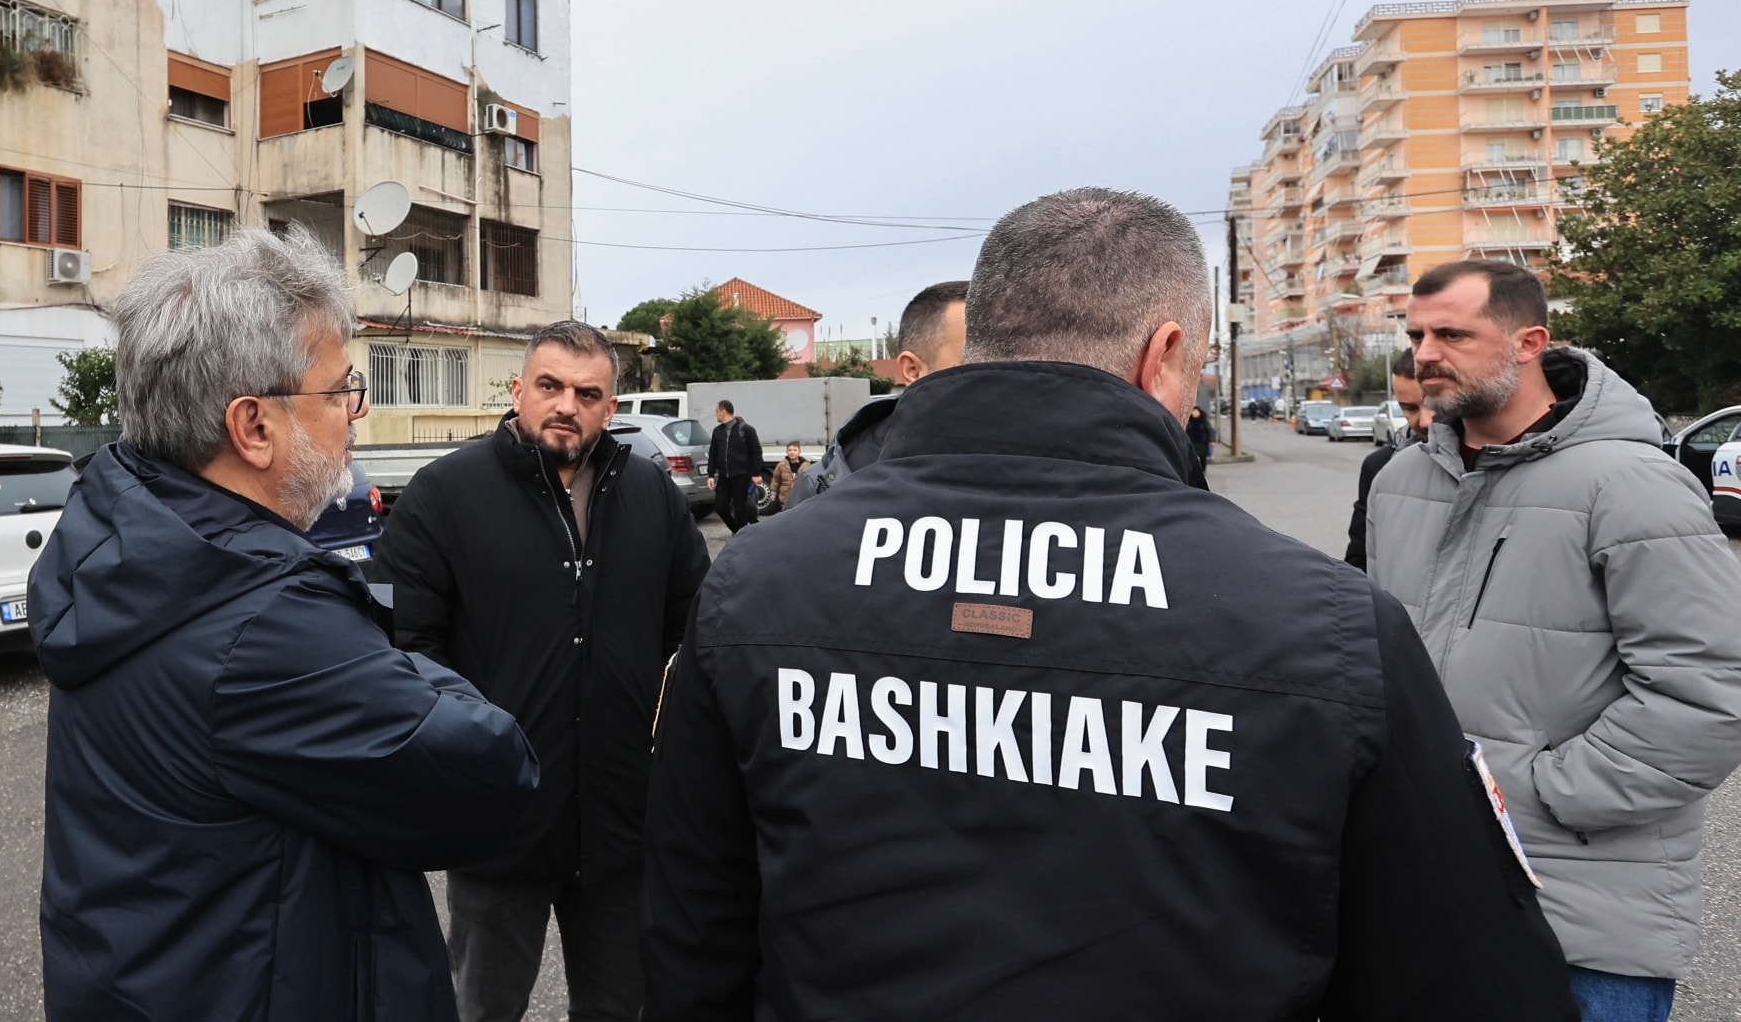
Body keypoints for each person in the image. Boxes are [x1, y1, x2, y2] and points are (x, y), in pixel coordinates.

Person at [643, 188, 1577, 1021]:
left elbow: (694, 933)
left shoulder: (760, 578)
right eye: (1200, 365)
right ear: (1163, 353)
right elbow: (1473, 982)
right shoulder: (1326, 627)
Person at [30, 227, 539, 1022]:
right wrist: (393, 653)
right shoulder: (261, 619)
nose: (354, 416)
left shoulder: (127, 540)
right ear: (253, 426)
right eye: (339, 390)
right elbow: (493, 774)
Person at [1366, 260, 1741, 1020]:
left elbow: (1711, 693)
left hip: (1585, 918)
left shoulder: (1630, 482)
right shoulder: (1399, 481)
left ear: (1529, 340)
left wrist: (1529, 791)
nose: (1425, 353)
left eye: (1452, 333)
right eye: (1415, 335)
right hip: (1422, 896)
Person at [378, 320, 708, 1022]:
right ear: (518, 389)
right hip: (501, 820)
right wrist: (471, 747)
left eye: (588, 393)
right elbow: (401, 643)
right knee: (479, 1006)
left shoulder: (654, 497)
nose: (567, 404)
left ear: (611, 405)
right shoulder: (444, 494)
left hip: (624, 825)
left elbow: (694, 633)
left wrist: (668, 751)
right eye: (551, 386)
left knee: (622, 1007)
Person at [786, 279, 967, 508]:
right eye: (971, 363)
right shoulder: (828, 485)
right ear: (912, 369)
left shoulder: (1020, 467)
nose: (1000, 375)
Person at [1343, 348, 1430, 570]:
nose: (1424, 421)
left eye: (1432, 404)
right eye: (1409, 409)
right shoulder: (1379, 467)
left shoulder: (1490, 458)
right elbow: (1359, 561)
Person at [706, 399, 765, 533]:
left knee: (740, 510)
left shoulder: (746, 430)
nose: (715, 415)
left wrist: (756, 473)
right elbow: (713, 453)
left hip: (741, 476)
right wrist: (710, 474)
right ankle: (738, 531)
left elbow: (756, 451)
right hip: (724, 477)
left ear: (723, 411)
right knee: (721, 507)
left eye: (717, 411)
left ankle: (741, 537)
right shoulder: (717, 431)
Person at [768, 441, 812, 512]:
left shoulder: (806, 466)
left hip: (800, 497)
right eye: (790, 450)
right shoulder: (781, 465)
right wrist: (773, 493)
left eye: (795, 450)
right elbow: (776, 480)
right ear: (786, 452)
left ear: (799, 452)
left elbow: (809, 481)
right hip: (785, 498)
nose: (792, 452)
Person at [1185, 403, 1214, 468]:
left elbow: (1210, 430)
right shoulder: (1189, 421)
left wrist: (1211, 440)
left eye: (1196, 412)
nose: (1195, 413)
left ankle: (1203, 469)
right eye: (1194, 412)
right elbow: (1185, 431)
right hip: (1192, 442)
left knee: (1203, 457)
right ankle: (1193, 470)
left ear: (1199, 412)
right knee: (1191, 457)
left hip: (1202, 442)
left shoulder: (1204, 420)